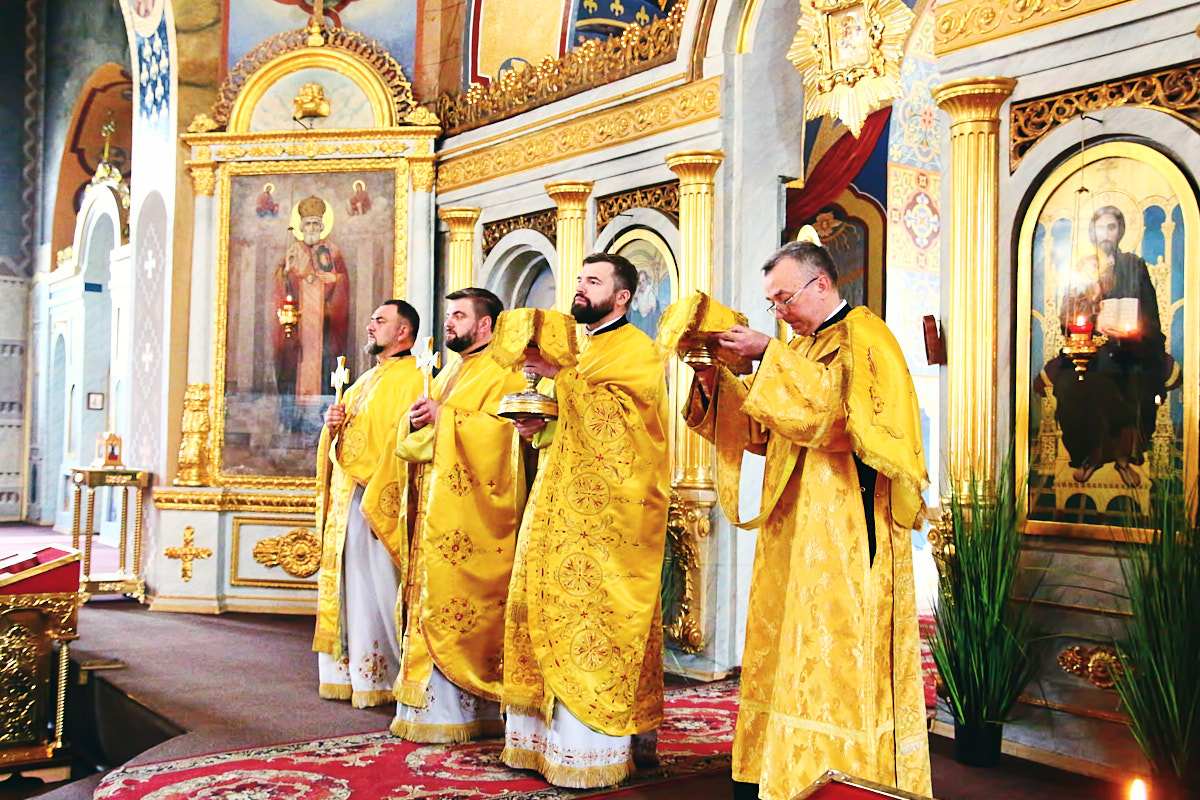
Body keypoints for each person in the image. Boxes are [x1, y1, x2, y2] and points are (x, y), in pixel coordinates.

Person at [685, 241, 931, 800]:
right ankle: (779, 770)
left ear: (821, 284)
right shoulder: (801, 347)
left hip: (846, 527)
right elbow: (761, 431)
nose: (779, 311)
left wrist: (768, 355)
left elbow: (837, 421)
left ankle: (839, 778)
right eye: (771, 302)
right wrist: (713, 377)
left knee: (832, 650)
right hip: (792, 527)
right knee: (787, 648)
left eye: (784, 298)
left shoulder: (866, 337)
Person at [502, 253, 670, 788]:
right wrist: (539, 422)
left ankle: (590, 751)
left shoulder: (637, 350)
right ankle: (537, 744)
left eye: (593, 282)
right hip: (557, 505)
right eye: (579, 280)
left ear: (622, 297)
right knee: (539, 604)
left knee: (592, 619)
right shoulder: (582, 349)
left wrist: (561, 379)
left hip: (607, 523)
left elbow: (625, 429)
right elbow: (567, 424)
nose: (579, 288)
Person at [389, 288, 528, 742]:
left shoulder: (504, 372)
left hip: (471, 523)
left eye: (460, 316)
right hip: (436, 512)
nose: (449, 323)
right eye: (449, 315)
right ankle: (426, 710)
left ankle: (465, 712)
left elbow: (506, 437)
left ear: (485, 325)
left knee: (458, 607)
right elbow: (424, 436)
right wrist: (415, 421)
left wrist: (446, 418)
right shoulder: (451, 369)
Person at [313, 300, 424, 707]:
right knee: (352, 588)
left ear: (403, 331)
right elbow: (345, 443)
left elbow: (403, 439)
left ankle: (387, 676)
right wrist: (331, 428)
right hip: (349, 504)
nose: (370, 326)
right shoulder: (363, 381)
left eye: (381, 320)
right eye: (372, 320)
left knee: (378, 589)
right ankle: (353, 675)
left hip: (380, 503)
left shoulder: (416, 378)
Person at [1036, 206, 1178, 487]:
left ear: (1120, 231)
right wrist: (1091, 302)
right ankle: (1090, 455)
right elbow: (1067, 317)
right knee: (1071, 384)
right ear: (1093, 232)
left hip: (1131, 348)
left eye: (1111, 227)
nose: (1106, 234)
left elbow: (1150, 311)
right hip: (1089, 348)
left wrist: (1134, 329)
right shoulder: (1083, 268)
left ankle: (1124, 457)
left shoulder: (1134, 266)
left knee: (1135, 380)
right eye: (1101, 227)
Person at [273, 195, 350, 398]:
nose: (312, 228)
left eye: (316, 224)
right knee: (293, 359)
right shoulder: (293, 250)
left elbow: (342, 282)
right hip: (299, 320)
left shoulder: (332, 251)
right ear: (301, 226)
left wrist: (333, 279)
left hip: (323, 320)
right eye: (308, 224)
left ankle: (322, 399)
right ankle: (293, 404)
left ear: (322, 226)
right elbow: (282, 280)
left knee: (325, 359)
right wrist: (287, 272)